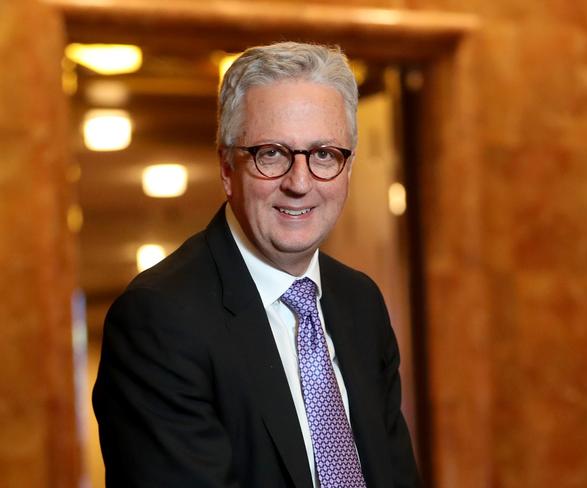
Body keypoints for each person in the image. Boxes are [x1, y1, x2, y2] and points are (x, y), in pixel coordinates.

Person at [93, 41, 419, 488]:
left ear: (349, 168)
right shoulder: (159, 319)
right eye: (272, 153)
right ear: (227, 167)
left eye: (324, 153)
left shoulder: (360, 301)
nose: (300, 183)